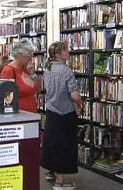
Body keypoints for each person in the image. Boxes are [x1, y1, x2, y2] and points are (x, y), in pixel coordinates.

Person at [40, 42, 83, 188]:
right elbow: (74, 95)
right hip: (65, 113)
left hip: (51, 111)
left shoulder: (47, 69)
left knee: (51, 142)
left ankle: (50, 172)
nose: (68, 52)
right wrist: (80, 101)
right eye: (65, 50)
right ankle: (60, 182)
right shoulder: (66, 71)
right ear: (58, 54)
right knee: (65, 146)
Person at [0, 40, 40, 113]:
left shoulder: (26, 68)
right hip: (19, 115)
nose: (31, 59)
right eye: (28, 56)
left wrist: (33, 74)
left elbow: (38, 88)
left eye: (32, 56)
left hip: (32, 114)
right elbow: (7, 99)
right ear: (19, 54)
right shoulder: (8, 70)